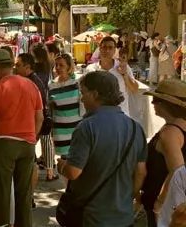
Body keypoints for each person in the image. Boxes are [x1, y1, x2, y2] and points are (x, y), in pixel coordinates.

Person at [56, 71, 147, 227]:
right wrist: (125, 197)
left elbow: (73, 172)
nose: (81, 98)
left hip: (92, 216)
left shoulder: (87, 127)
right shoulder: (135, 128)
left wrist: (61, 166)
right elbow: (140, 172)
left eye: (83, 93)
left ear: (95, 94)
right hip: (123, 216)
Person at [0, 50, 43, 227]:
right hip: (28, 144)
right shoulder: (31, 85)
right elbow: (39, 118)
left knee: (1, 193)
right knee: (24, 194)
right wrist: (32, 137)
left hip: (3, 143)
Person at [141, 79, 186, 227]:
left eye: (156, 99)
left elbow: (177, 173)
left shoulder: (170, 133)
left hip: (167, 205)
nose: (153, 103)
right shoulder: (179, 126)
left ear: (167, 104)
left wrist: (160, 203)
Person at [15, 53, 56, 181]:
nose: (15, 68)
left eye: (18, 65)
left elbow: (37, 108)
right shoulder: (30, 80)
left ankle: (46, 174)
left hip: (36, 124)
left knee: (34, 156)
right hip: (34, 124)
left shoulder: (32, 82)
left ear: (27, 67)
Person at [84, 36, 138, 116]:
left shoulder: (123, 66)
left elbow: (134, 89)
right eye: (104, 47)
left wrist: (124, 74)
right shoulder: (91, 69)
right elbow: (85, 93)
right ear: (100, 49)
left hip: (120, 116)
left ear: (114, 50)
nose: (107, 50)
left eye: (110, 47)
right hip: (98, 117)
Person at [48, 53, 84, 157]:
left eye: (61, 65)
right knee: (64, 161)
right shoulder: (52, 85)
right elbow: (51, 108)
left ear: (69, 66)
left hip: (76, 128)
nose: (58, 68)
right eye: (56, 65)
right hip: (60, 130)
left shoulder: (77, 82)